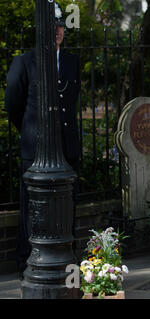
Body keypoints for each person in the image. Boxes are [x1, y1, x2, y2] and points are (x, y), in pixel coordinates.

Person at [4, 2, 81, 276]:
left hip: (66, 145)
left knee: (68, 204)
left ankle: (67, 258)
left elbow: (72, 103)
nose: (58, 31)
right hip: (36, 147)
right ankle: (27, 259)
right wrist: (31, 131)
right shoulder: (24, 61)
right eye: (53, 26)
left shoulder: (72, 61)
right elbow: (13, 103)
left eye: (61, 26)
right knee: (31, 209)